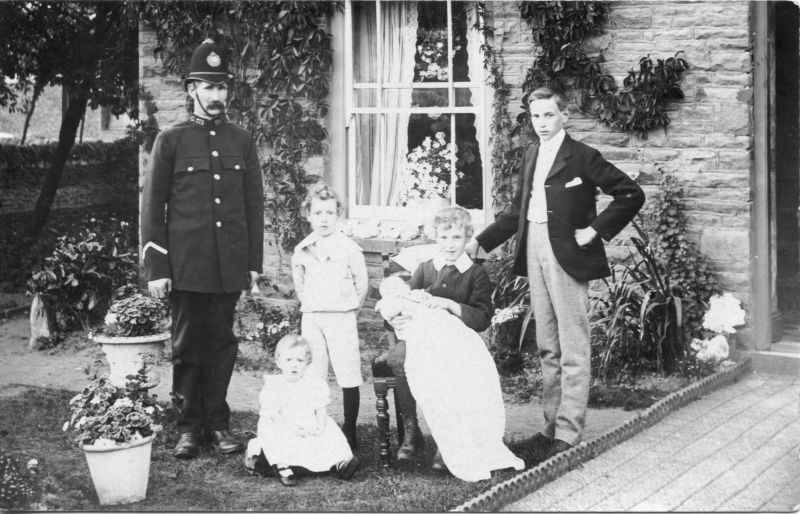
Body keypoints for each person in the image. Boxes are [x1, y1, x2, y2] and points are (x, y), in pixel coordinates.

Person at [466, 86, 645, 465]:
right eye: (536, 116)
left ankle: (569, 432)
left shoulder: (582, 157)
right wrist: (479, 243)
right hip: (534, 248)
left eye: (549, 115)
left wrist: (594, 230)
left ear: (564, 115)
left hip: (569, 255)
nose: (542, 123)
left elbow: (630, 194)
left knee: (573, 345)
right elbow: (516, 213)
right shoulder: (532, 154)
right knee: (548, 344)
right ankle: (551, 427)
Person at [141, 39, 264, 459]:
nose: (217, 96)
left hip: (228, 264)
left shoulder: (242, 141)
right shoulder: (171, 141)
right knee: (188, 345)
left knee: (223, 345)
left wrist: (252, 264)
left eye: (223, 87)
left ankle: (219, 423)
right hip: (187, 265)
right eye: (209, 87)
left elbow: (253, 206)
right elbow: (152, 208)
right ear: (192, 88)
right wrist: (157, 267)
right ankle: (189, 427)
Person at [376, 206, 524, 481]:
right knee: (399, 359)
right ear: (435, 238)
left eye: (456, 238)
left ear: (467, 238)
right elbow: (401, 302)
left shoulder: (475, 274)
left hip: (458, 343)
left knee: (453, 369)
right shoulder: (425, 269)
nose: (449, 245)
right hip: (421, 338)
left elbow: (481, 318)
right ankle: (412, 430)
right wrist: (395, 321)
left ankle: (450, 441)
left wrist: (450, 305)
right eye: (443, 238)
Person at [291, 183, 368, 450]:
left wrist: (349, 310)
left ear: (339, 216)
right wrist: (313, 306)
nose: (324, 219)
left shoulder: (349, 248)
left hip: (342, 317)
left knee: (348, 372)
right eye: (318, 213)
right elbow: (300, 285)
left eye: (330, 213)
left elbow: (362, 284)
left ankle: (350, 430)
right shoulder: (302, 250)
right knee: (314, 373)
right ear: (308, 215)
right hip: (313, 317)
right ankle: (317, 424)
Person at [244, 335, 360, 486]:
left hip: (308, 422)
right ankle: (283, 467)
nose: (294, 365)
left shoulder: (313, 384)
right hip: (282, 422)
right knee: (281, 438)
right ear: (279, 361)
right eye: (289, 360)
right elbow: (272, 414)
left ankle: (340, 463)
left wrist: (320, 425)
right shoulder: (274, 386)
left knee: (329, 435)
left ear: (307, 363)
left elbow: (320, 408)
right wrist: (290, 427)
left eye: (299, 361)